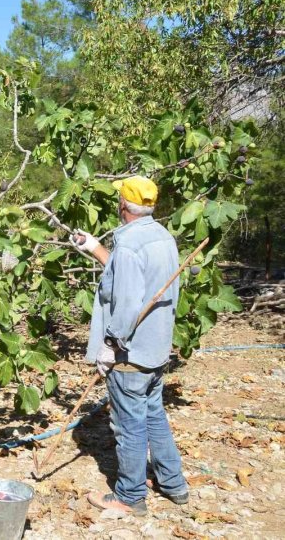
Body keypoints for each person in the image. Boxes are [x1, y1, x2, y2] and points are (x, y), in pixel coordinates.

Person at [72, 175, 189, 517]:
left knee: (128, 424)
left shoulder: (129, 246)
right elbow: (133, 278)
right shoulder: (162, 238)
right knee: (153, 414)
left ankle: (130, 496)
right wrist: (94, 247)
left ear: (122, 205)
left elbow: (125, 302)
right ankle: (174, 484)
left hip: (130, 354)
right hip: (155, 348)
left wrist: (110, 345)